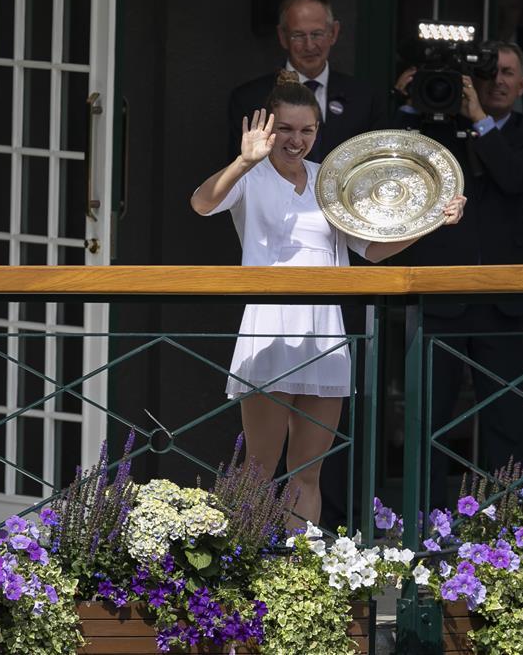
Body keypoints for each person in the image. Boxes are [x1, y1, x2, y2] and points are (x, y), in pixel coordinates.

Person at [193, 72, 466, 526]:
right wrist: (242, 162)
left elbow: (372, 249)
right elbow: (202, 203)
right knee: (259, 469)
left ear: (318, 131)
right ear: (267, 129)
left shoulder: (330, 180)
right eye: (285, 129)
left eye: (306, 130)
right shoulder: (251, 176)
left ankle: (300, 576)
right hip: (269, 323)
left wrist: (433, 218)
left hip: (325, 329)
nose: (295, 140)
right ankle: (241, 568)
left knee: (307, 471)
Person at [391, 41, 523, 507]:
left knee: (506, 415)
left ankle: (513, 519)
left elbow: (514, 178)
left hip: (501, 298)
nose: (499, 80)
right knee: (429, 414)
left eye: (508, 73)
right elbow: (391, 161)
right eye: (491, 72)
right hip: (441, 290)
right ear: (473, 80)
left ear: (522, 85)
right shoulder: (435, 124)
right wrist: (407, 100)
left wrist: (480, 121)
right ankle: (419, 520)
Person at [227, 0, 385, 163]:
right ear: (283, 37)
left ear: (333, 32)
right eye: (298, 35)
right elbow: (240, 171)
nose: (309, 46)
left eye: (317, 34)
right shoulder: (249, 99)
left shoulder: (365, 98)